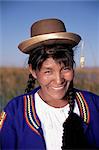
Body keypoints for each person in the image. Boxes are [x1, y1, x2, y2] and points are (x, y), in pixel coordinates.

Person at [0, 18, 99, 150]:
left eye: (65, 68)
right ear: (33, 71)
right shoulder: (14, 112)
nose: (59, 80)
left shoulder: (94, 104)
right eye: (48, 71)